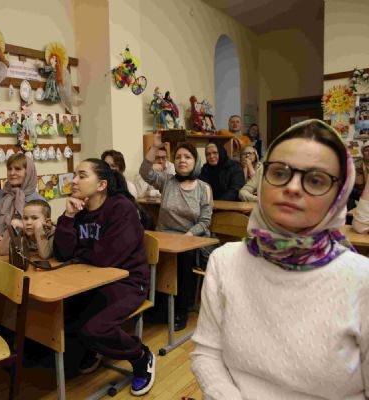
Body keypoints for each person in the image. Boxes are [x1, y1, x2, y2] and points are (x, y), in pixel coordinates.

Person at [191, 119, 369, 399]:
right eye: (279, 172)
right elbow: (207, 354)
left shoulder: (362, 280)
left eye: (315, 180)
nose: (293, 187)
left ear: (340, 195)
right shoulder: (224, 261)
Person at [53, 158, 155, 396]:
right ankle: (94, 348)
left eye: (81, 176)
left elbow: (107, 257)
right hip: (93, 280)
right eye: (74, 175)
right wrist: (68, 216)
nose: (74, 181)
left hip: (129, 282)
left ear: (101, 185)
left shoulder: (121, 208)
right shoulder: (80, 210)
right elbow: (63, 253)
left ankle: (140, 355)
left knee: (94, 329)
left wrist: (81, 253)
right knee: (63, 315)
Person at [140, 136, 213, 330]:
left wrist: (187, 237)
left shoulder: (204, 188)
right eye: (178, 157)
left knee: (184, 258)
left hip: (190, 238)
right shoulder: (167, 181)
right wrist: (154, 148)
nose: (182, 160)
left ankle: (182, 310)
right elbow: (145, 172)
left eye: (187, 157)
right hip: (164, 236)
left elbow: (205, 221)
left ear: (195, 161)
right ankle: (157, 307)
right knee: (149, 255)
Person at [0, 153, 44, 244]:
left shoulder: (38, 201)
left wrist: (6, 240)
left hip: (22, 249)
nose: (12, 173)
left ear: (28, 172)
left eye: (18, 169)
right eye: (9, 169)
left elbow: (41, 233)